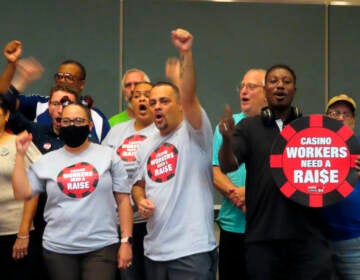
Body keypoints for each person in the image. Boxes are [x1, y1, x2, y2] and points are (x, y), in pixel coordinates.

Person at [219, 64, 335, 279]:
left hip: (308, 238)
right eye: (273, 81)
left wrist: (351, 166)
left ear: (294, 90)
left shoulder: (310, 128)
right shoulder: (248, 127)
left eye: (286, 81)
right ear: (265, 90)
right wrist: (226, 141)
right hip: (263, 238)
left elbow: (335, 168)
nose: (280, 86)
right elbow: (228, 165)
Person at [131, 28, 217, 280]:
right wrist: (140, 199)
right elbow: (138, 184)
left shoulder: (194, 132)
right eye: (153, 101)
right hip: (155, 251)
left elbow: (189, 97)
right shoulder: (146, 143)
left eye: (164, 101)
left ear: (179, 105)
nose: (156, 106)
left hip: (192, 252)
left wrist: (186, 54)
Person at [12, 103, 133, 280]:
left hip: (101, 244)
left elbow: (123, 200)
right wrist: (20, 155)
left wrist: (126, 241)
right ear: (59, 125)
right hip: (58, 248)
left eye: (78, 120)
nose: (72, 126)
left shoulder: (108, 155)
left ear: (90, 125)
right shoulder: (47, 161)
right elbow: (22, 193)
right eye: (66, 121)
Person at [8, 83, 81, 280]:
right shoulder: (36, 132)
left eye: (66, 103)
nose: (60, 108)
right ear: (48, 107)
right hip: (41, 221)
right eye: (55, 103)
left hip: (78, 222)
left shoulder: (85, 138)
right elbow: (7, 108)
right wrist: (18, 78)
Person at [212, 68, 267, 280]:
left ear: (267, 92)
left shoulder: (280, 126)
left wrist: (252, 194)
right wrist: (237, 195)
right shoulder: (227, 126)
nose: (244, 91)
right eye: (241, 86)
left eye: (251, 87)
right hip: (233, 227)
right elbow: (214, 170)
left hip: (267, 229)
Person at [103, 81, 156, 280]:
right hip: (120, 221)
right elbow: (102, 165)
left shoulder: (162, 131)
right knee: (127, 274)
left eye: (147, 95)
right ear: (131, 103)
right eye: (136, 96)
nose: (142, 99)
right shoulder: (117, 131)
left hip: (150, 220)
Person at [7, 58, 110, 142]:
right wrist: (21, 80)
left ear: (82, 84)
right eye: (59, 76)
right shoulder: (39, 104)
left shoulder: (96, 117)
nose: (62, 81)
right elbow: (5, 104)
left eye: (69, 77)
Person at [0, 95, 42, 279]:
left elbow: (33, 189)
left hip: (15, 233)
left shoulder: (20, 143)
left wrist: (23, 233)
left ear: (6, 115)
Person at [320, 94, 360, 280]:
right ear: (326, 118)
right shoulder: (313, 147)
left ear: (353, 120)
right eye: (335, 113)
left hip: (355, 241)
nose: (341, 118)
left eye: (346, 114)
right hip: (319, 240)